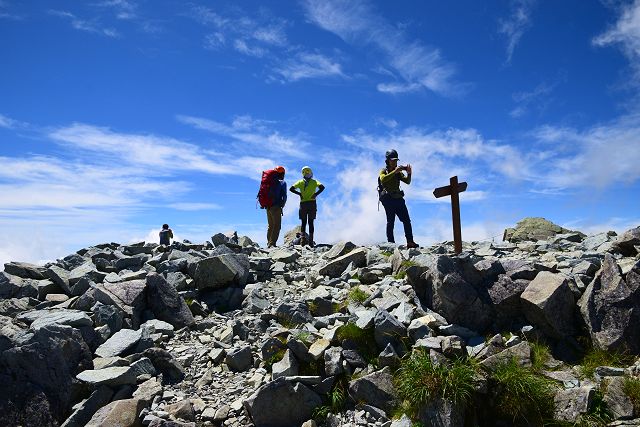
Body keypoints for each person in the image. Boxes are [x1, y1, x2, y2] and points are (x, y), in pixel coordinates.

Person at [379, 149, 419, 248]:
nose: (395, 162)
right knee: (390, 221)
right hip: (388, 199)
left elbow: (407, 181)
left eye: (396, 160)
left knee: (406, 220)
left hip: (398, 198)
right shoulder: (384, 171)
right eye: (392, 160)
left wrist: (409, 173)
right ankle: (391, 244)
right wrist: (395, 171)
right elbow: (383, 179)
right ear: (387, 160)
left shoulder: (398, 172)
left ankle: (410, 241)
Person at [290, 166, 325, 246]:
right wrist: (315, 194)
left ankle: (302, 241)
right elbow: (322, 187)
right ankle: (310, 242)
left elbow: (291, 189)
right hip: (312, 203)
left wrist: (300, 194)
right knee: (311, 222)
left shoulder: (300, 182)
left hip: (303, 204)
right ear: (311, 173)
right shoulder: (314, 181)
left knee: (303, 222)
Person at [266, 166, 287, 247]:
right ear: (282, 174)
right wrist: (282, 205)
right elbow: (284, 196)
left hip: (267, 206)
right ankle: (272, 243)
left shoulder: (269, 182)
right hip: (276, 206)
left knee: (270, 225)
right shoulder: (282, 182)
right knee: (277, 225)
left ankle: (269, 242)